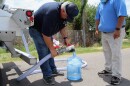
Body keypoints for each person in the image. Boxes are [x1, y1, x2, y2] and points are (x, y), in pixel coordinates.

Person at [29, 1, 79, 85]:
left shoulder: (63, 12)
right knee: (44, 51)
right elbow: (45, 34)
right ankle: (47, 76)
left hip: (46, 31)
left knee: (50, 51)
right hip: (36, 30)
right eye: (67, 16)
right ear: (63, 11)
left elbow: (62, 26)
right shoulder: (51, 13)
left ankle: (52, 70)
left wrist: (65, 38)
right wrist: (52, 49)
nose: (67, 18)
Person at [95, 0, 127, 85]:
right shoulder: (101, 3)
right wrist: (97, 29)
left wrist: (117, 29)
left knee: (115, 53)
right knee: (106, 52)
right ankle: (108, 69)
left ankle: (116, 75)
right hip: (104, 33)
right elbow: (97, 17)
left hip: (115, 32)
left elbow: (122, 15)